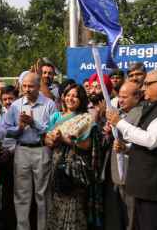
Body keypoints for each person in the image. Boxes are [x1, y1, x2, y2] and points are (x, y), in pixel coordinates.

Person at [107, 69, 157, 230]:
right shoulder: (155, 107)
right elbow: (144, 141)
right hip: (145, 185)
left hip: (156, 188)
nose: (143, 88)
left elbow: (152, 140)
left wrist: (119, 122)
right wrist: (127, 148)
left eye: (147, 84)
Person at [45, 83, 104, 230]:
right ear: (63, 97)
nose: (71, 98)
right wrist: (51, 139)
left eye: (75, 96)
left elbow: (86, 145)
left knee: (73, 206)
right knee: (57, 204)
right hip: (57, 165)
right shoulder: (58, 117)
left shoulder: (86, 119)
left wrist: (63, 139)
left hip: (74, 169)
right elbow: (48, 141)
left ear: (81, 100)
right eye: (68, 95)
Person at [4, 72, 56, 230]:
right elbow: (6, 130)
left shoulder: (49, 104)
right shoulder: (16, 105)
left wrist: (33, 123)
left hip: (41, 149)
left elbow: (52, 131)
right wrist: (19, 127)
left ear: (39, 86)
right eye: (24, 86)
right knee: (21, 195)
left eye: (30, 86)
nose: (27, 89)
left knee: (43, 194)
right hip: (22, 151)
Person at [106, 81, 144, 230]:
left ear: (137, 97)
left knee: (131, 214)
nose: (120, 100)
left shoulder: (142, 114)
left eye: (124, 97)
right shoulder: (118, 113)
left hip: (132, 172)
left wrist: (125, 147)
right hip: (116, 172)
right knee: (118, 214)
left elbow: (143, 141)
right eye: (119, 96)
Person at [0, 85, 18, 230]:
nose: (8, 101)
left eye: (11, 98)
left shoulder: (21, 113)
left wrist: (10, 152)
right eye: (5, 99)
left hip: (15, 156)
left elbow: (23, 137)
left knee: (12, 192)